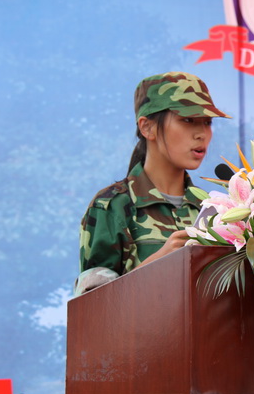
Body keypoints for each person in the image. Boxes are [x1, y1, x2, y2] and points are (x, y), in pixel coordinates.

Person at [74, 72, 230, 296]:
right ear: (147, 127)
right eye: (188, 120)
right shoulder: (111, 207)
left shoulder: (212, 209)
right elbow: (94, 307)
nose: (202, 134)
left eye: (207, 122)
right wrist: (159, 263)